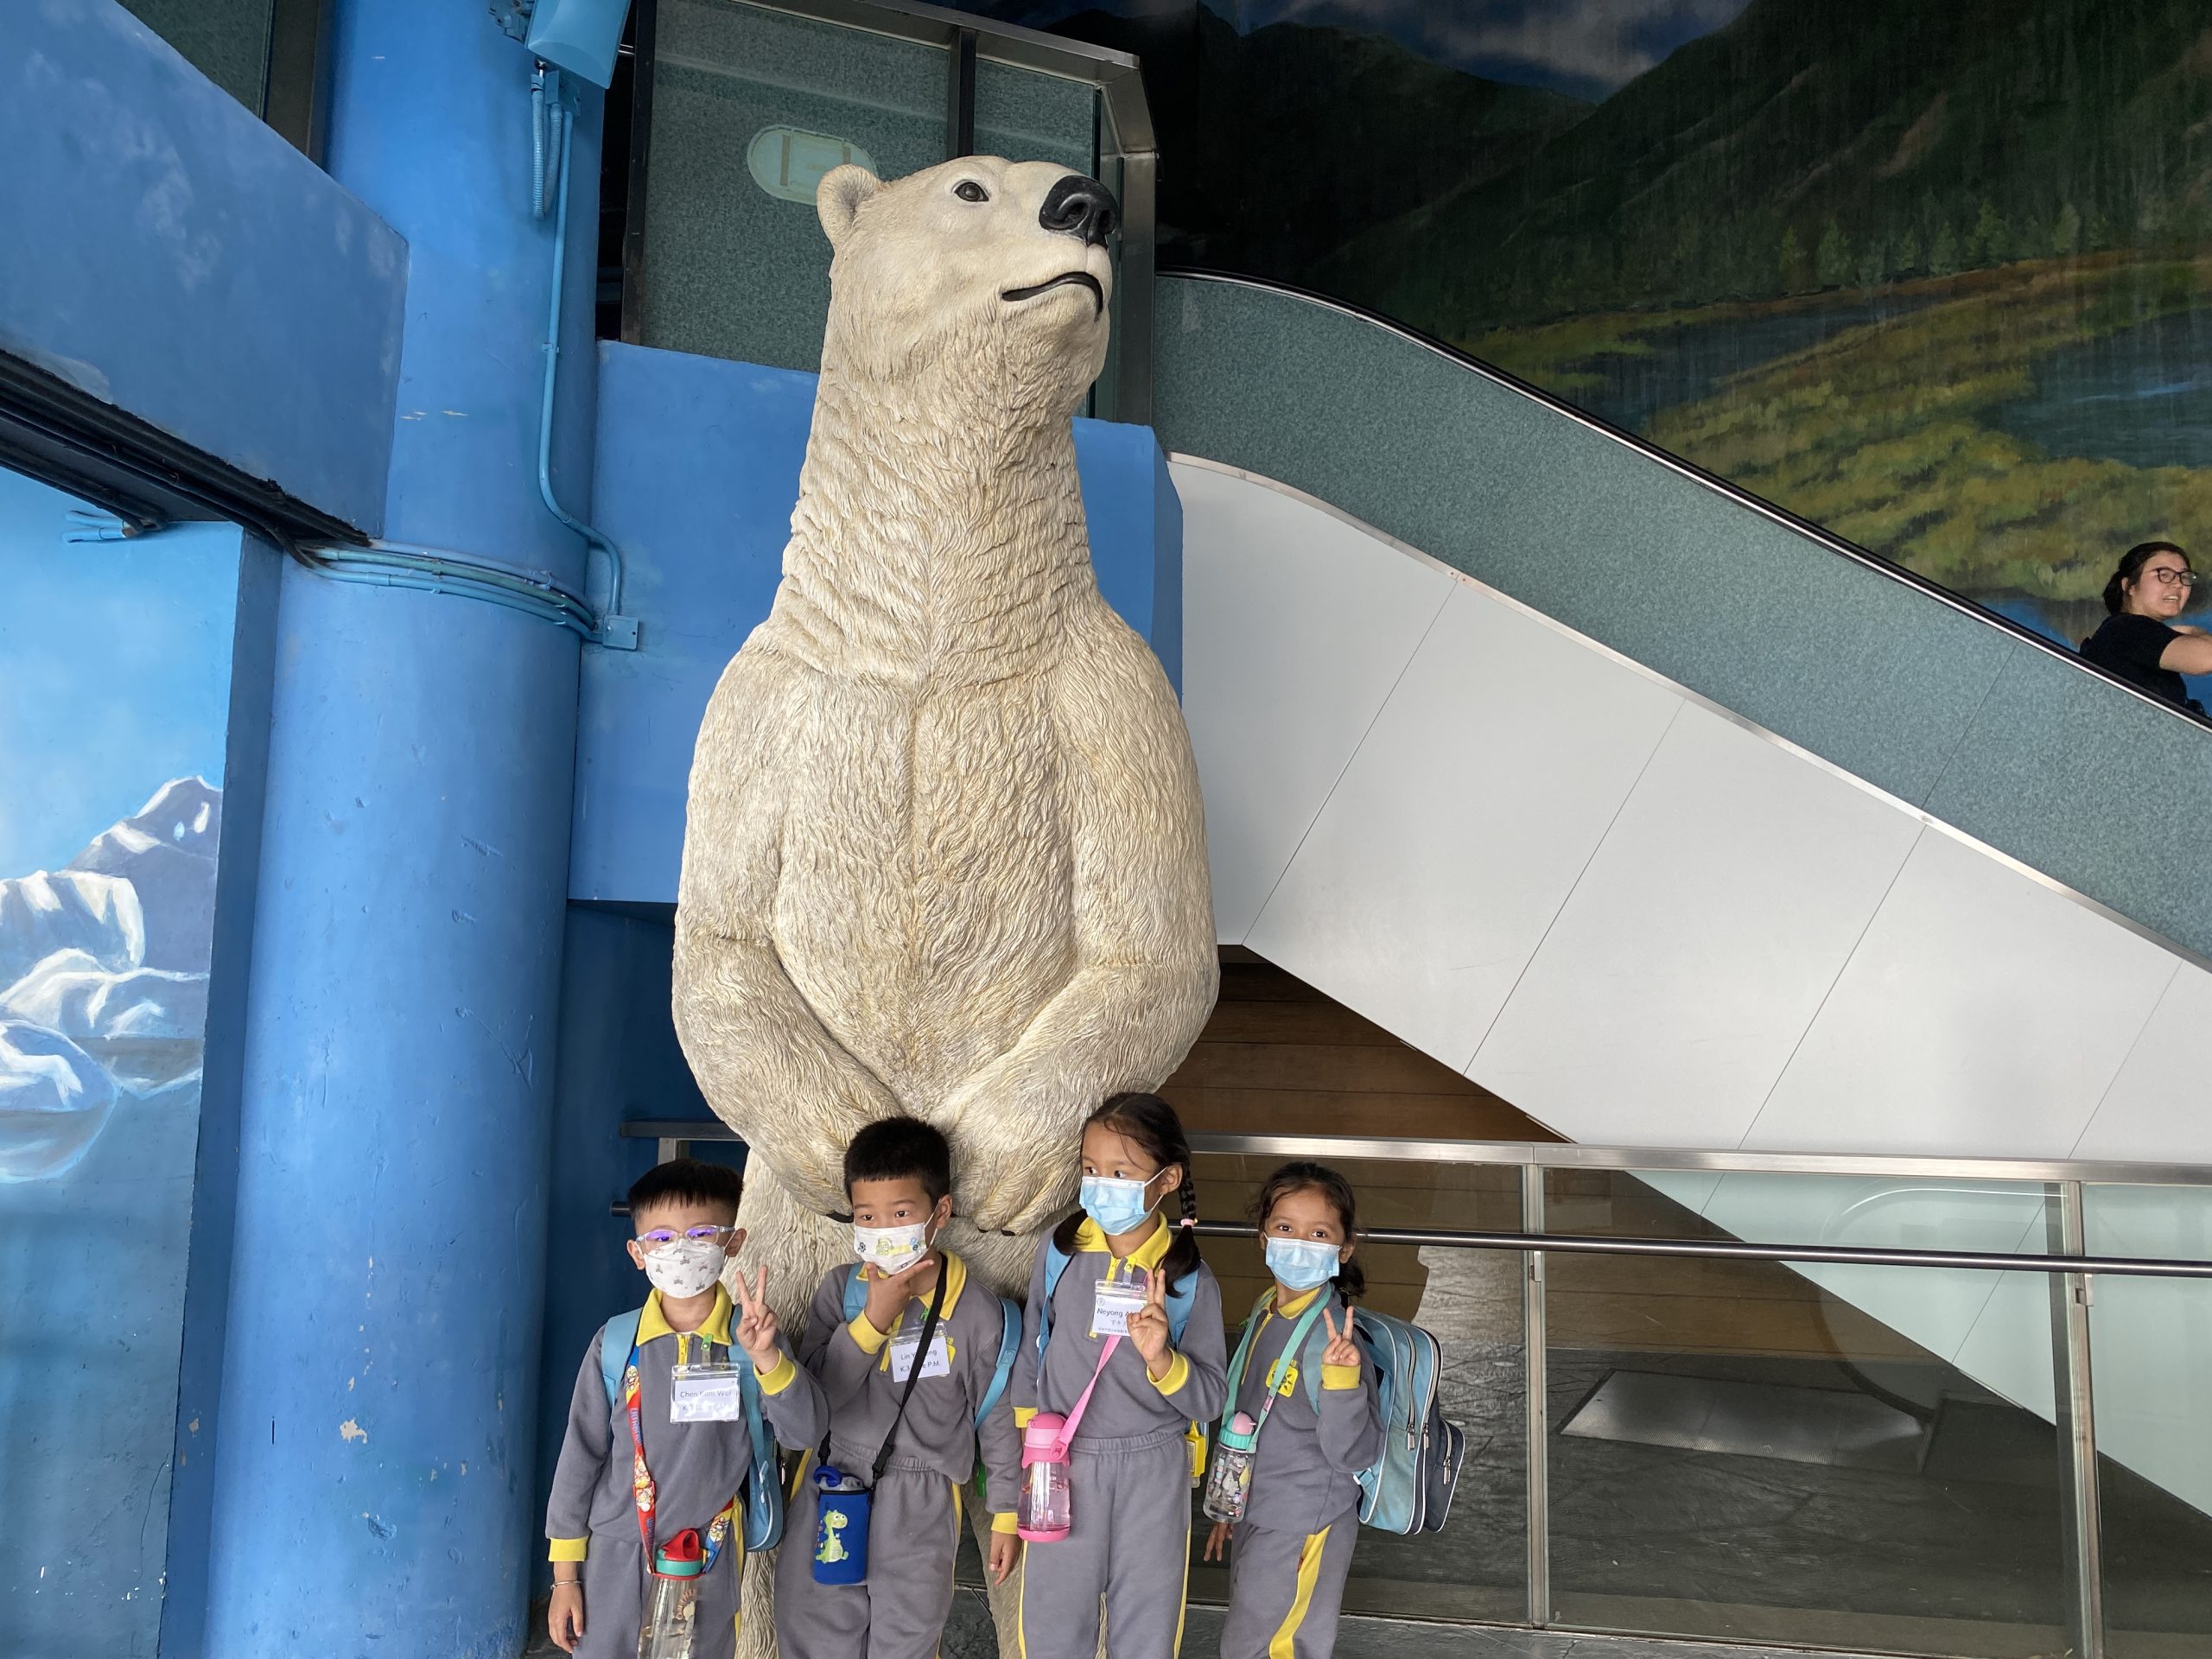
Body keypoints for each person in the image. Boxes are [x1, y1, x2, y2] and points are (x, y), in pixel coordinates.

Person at [545, 1158, 825, 1658]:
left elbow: (804, 1433)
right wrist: (565, 1577)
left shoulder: (751, 1342)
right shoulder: (616, 1344)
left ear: (732, 1243)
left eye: (700, 1234)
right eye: (661, 1238)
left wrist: (767, 1358)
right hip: (614, 1553)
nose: (681, 1249)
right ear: (637, 1252)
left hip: (707, 1555)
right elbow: (580, 1457)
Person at [776, 1116, 1024, 1659]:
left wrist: (1006, 1514)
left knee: (908, 1638)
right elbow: (814, 1399)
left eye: (901, 1213)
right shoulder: (841, 1291)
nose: (883, 1228)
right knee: (813, 1634)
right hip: (830, 1483)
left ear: (941, 1212)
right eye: (867, 1216)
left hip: (922, 1501)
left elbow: (998, 1420)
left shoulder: (978, 1313)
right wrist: (870, 1322)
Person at [1012, 1093, 1229, 1659]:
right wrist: (1026, 1453)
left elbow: (1209, 1399)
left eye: (1119, 1173)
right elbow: (1033, 1350)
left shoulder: (1188, 1279)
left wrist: (1162, 1359)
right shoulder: (1059, 1253)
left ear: (1166, 1179)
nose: (1100, 1185)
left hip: (1151, 1472)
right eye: (1090, 1169)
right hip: (1062, 1462)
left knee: (1147, 1631)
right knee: (1053, 1627)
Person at [1204, 1162, 1382, 1659]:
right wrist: (1230, 1503)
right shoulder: (1268, 1310)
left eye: (1318, 1233)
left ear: (1344, 1248)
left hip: (1306, 1519)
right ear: (1264, 1237)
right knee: (1252, 1636)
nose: (1299, 1243)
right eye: (1285, 1227)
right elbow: (1249, 1414)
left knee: (1274, 1644)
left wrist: (1342, 1383)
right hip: (1260, 1509)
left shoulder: (1334, 1341)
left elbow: (1352, 1454)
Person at [2080, 541, 2212, 715]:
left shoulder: (2124, 631)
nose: (2178, 584)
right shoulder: (2127, 629)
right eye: (2164, 574)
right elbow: (2208, 658)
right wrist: (2195, 632)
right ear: (2129, 585)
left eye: (2185, 577)